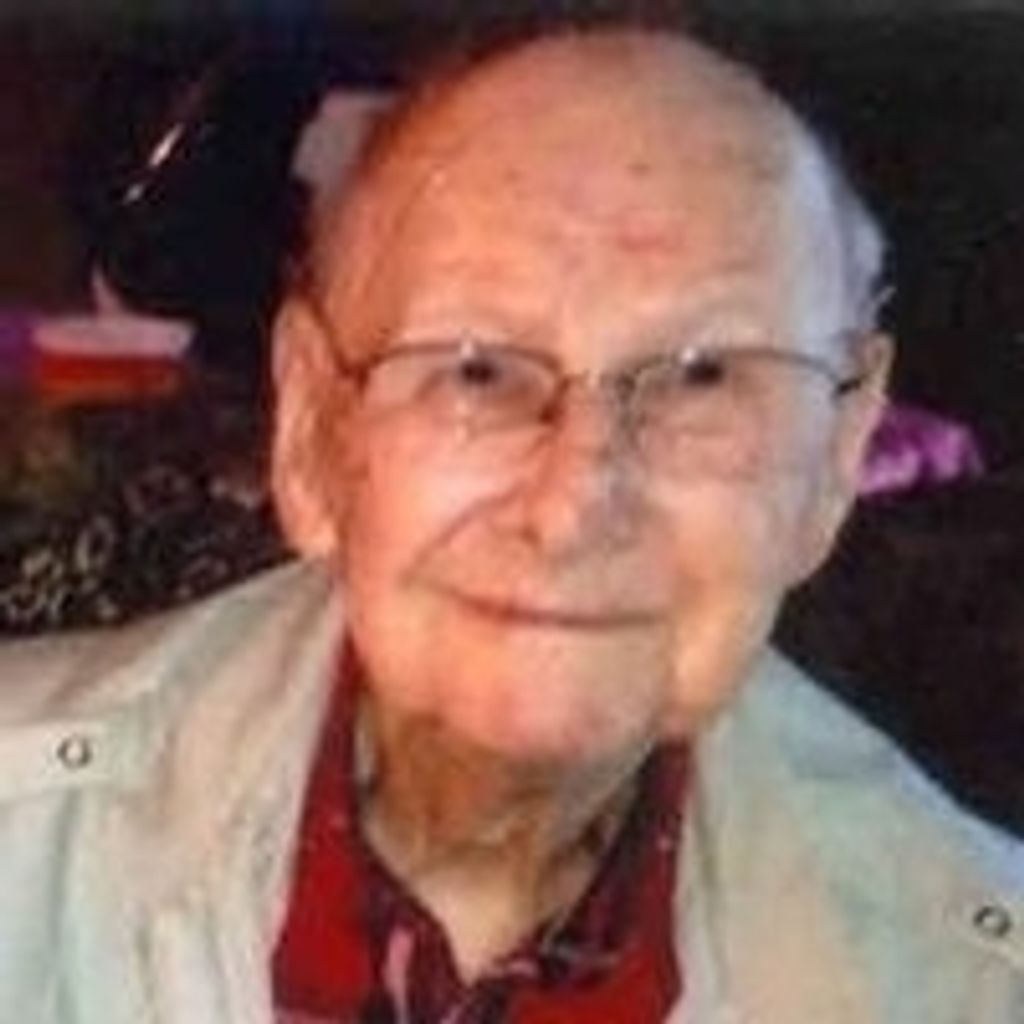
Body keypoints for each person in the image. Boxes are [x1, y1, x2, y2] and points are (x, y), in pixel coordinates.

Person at [2, 25, 1021, 1024]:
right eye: (476, 370)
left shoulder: (971, 980)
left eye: (703, 376)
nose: (573, 507)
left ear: (838, 452)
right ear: (314, 430)